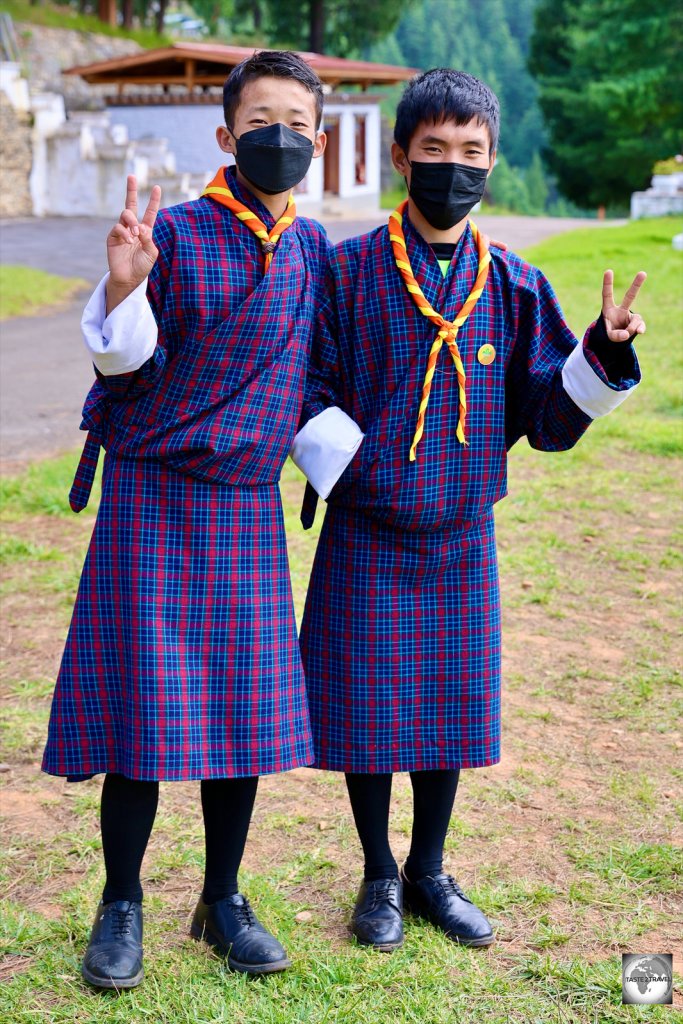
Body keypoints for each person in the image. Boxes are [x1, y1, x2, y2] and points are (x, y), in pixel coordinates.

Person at [291, 68, 645, 952]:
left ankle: (429, 870)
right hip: (368, 530)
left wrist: (600, 353)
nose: (453, 167)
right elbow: (307, 387)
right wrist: (366, 473)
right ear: (405, 158)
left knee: (447, 708)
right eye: (435, 151)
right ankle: (376, 872)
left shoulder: (517, 285)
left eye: (471, 153)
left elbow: (546, 415)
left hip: (461, 536)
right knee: (367, 711)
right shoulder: (345, 272)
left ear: (490, 162)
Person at [42, 50, 328, 986]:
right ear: (224, 135)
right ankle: (120, 900)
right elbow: (123, 373)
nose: (276, 139)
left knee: (239, 716)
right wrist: (125, 286)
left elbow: (320, 375)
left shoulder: (316, 252)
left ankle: (222, 898)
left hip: (244, 503)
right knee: (140, 712)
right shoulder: (173, 232)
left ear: (317, 142)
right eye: (259, 123)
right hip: (153, 500)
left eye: (294, 124)